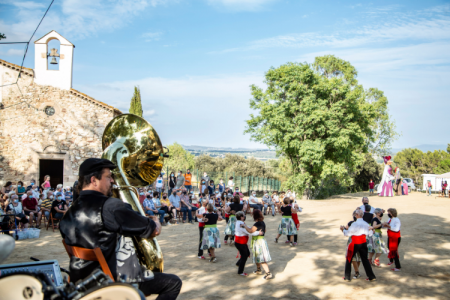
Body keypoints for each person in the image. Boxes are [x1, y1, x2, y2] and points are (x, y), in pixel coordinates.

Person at [60, 158, 182, 298]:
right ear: (94, 180)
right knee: (173, 283)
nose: (112, 181)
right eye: (108, 177)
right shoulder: (111, 206)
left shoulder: (69, 213)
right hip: (113, 280)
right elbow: (153, 230)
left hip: (81, 281)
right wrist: (156, 221)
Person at [340, 209, 377, 282]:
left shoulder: (354, 224)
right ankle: (371, 276)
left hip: (355, 243)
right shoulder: (366, 223)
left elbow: (347, 234)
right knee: (365, 260)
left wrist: (343, 229)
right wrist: (372, 230)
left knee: (349, 259)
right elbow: (370, 234)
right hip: (363, 242)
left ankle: (347, 277)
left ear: (356, 215)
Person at [242, 209, 273, 279]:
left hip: (258, 242)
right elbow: (265, 230)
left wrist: (244, 226)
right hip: (261, 241)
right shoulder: (262, 222)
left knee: (261, 258)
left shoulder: (257, 223)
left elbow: (250, 231)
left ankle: (268, 273)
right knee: (257, 257)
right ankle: (258, 270)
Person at [234, 211, 262, 276]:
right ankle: (240, 271)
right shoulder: (241, 224)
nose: (244, 216)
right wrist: (258, 233)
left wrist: (253, 229)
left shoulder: (239, 222)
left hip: (240, 242)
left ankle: (238, 263)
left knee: (247, 254)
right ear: (241, 217)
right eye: (243, 215)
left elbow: (248, 229)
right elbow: (249, 232)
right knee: (244, 256)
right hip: (241, 243)